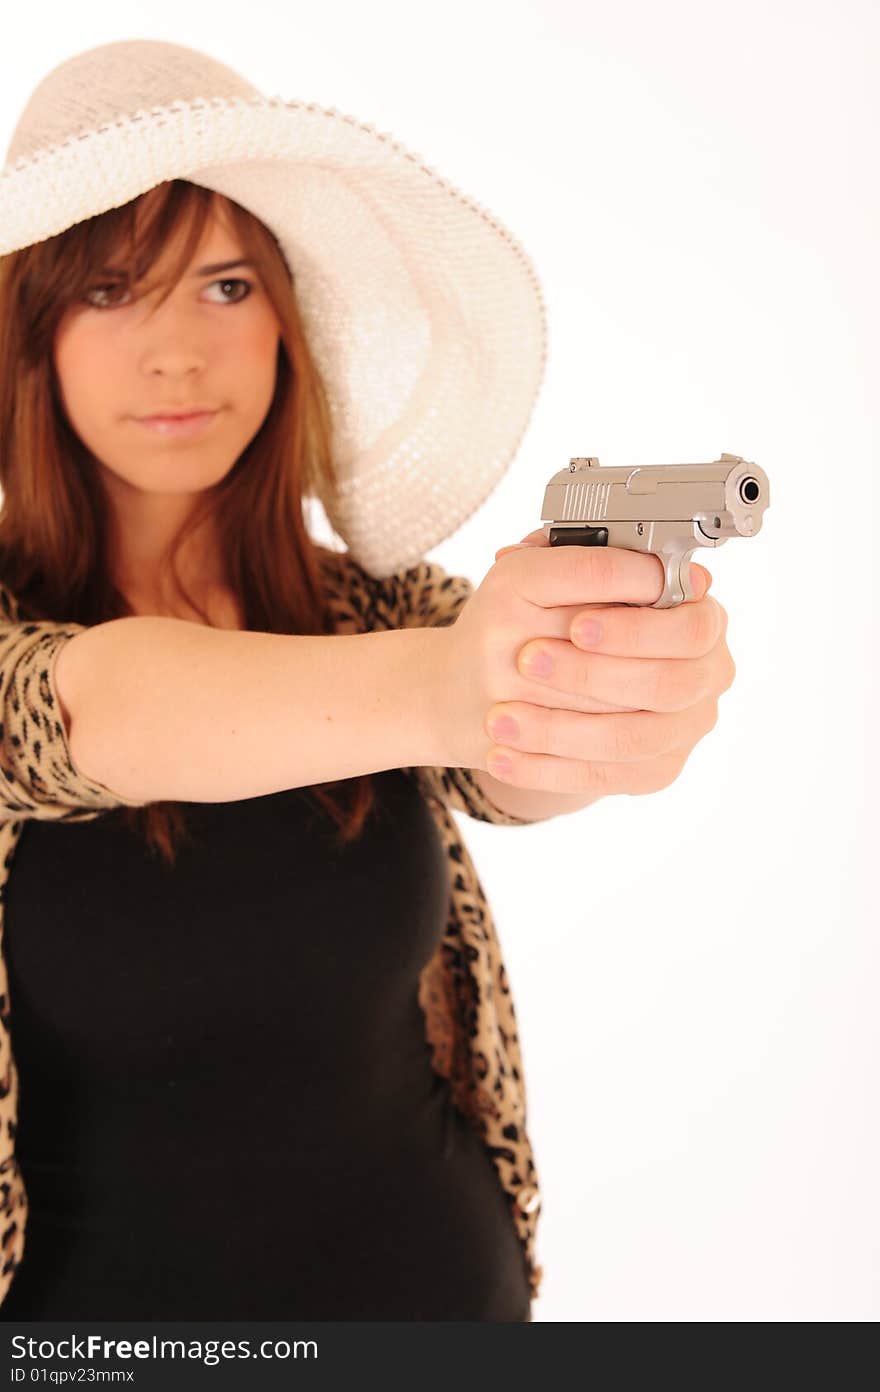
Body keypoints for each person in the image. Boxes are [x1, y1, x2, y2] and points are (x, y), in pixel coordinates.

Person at [0, 37, 550, 1321]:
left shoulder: (378, 608)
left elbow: (516, 761)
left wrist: (599, 686)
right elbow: (87, 706)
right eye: (110, 291)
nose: (177, 353)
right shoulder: (407, 657)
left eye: (227, 286)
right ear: (33, 337)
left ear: (288, 321)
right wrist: (456, 683)